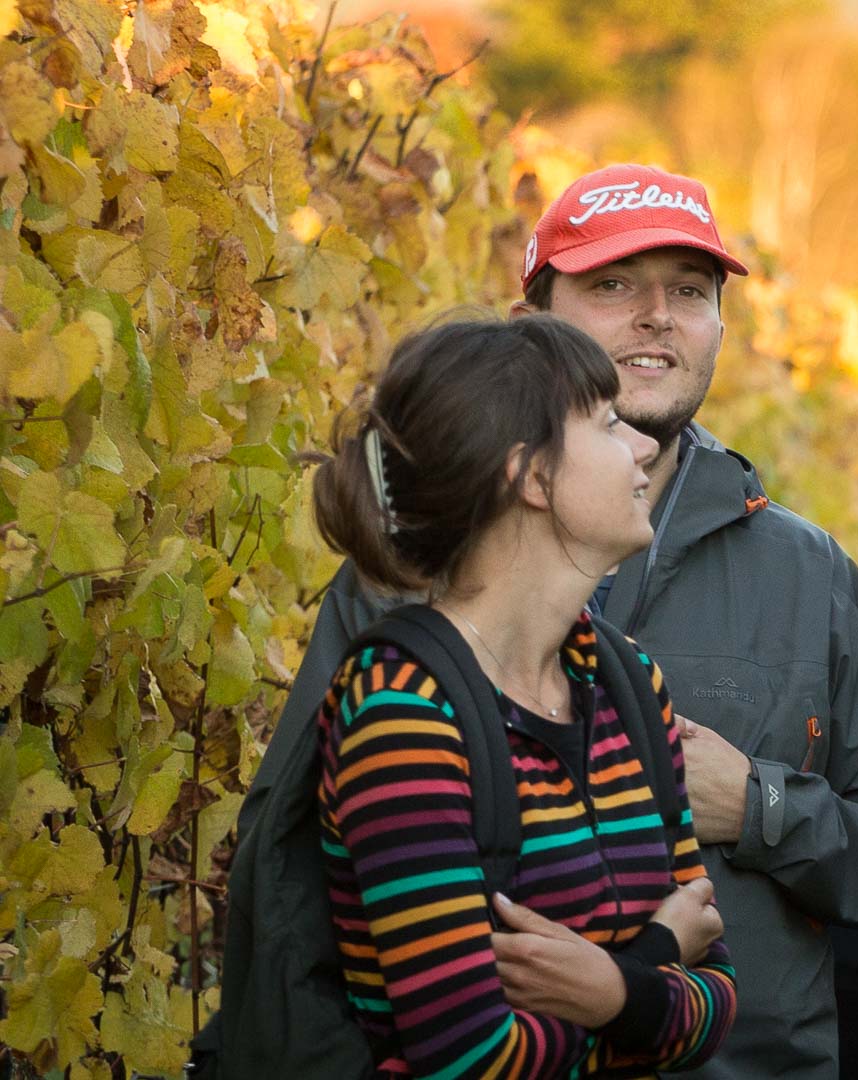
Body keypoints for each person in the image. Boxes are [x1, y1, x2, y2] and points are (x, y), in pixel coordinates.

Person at [254, 165, 858, 1079]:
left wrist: (763, 810)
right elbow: (293, 888)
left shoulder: (805, 577)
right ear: (532, 330)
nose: (656, 316)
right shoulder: (400, 588)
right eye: (610, 286)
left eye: (689, 291)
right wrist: (634, 986)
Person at [308, 315, 735, 1075]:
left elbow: (720, 996)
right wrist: (646, 970)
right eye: (606, 423)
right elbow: (469, 1058)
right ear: (530, 477)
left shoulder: (630, 685)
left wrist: (612, 989)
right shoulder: (403, 713)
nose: (642, 444)